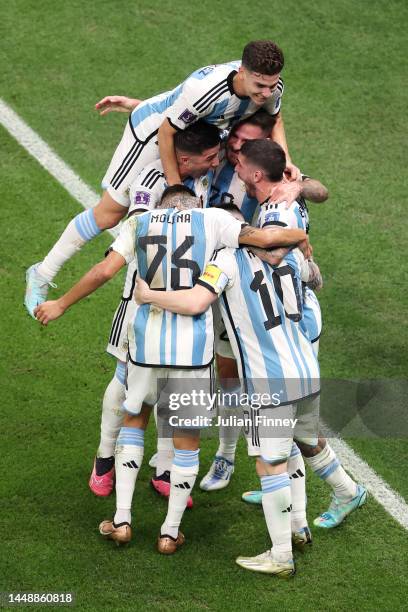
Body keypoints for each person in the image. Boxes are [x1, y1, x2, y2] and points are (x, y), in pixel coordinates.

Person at [34, 186, 308, 555]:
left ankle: (122, 519)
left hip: (145, 344)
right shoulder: (211, 218)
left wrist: (60, 304)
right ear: (194, 203)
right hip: (193, 350)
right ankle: (169, 532)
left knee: (134, 422)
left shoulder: (139, 223)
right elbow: (266, 238)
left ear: (162, 205)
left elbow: (103, 271)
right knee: (185, 441)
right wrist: (300, 234)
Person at [25, 40, 299, 316]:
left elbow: (274, 119)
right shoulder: (205, 89)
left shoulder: (271, 87)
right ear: (242, 71)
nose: (266, 93)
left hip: (195, 134)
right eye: (260, 86)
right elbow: (166, 131)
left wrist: (286, 159)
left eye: (271, 86)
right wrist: (176, 187)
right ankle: (42, 273)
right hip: (152, 137)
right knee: (109, 214)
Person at [134, 208, 319, 577]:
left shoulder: (224, 260)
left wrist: (149, 294)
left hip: (270, 380)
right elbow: (314, 279)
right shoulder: (288, 255)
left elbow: (195, 303)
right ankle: (299, 526)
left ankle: (281, 555)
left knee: (270, 464)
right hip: (306, 368)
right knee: (288, 450)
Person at [234, 139, 367, 528]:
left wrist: (230, 235)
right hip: (290, 307)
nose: (236, 167)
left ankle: (311, 506)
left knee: (289, 419)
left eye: (240, 162)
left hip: (294, 319)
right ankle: (287, 486)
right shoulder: (280, 190)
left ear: (256, 172)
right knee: (290, 422)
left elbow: (274, 252)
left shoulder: (278, 205)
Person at [89, 121, 221, 501]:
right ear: (183, 157)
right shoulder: (151, 179)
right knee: (125, 381)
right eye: (209, 157)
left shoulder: (198, 179)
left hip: (186, 302)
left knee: (175, 384)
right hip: (141, 301)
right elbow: (134, 226)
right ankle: (104, 458)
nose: (215, 163)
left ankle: (164, 468)